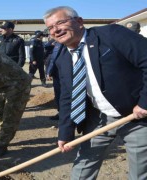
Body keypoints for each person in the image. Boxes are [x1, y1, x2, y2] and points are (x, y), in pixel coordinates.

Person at [43, 6, 147, 179]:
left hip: (136, 114)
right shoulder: (63, 56)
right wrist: (65, 133)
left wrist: (145, 102)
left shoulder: (112, 35)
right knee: (84, 163)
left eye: (61, 22)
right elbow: (68, 96)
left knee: (140, 169)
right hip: (99, 116)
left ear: (79, 22)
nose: (56, 30)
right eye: (51, 28)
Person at [0, 21, 26, 113]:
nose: (0, 30)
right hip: (0, 68)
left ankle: (11, 107)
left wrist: (18, 69)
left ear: (10, 29)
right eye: (1, 28)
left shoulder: (18, 40)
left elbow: (22, 57)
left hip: (13, 69)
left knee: (12, 89)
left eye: (3, 28)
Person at [45, 41, 62, 120]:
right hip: (57, 73)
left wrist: (49, 71)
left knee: (62, 94)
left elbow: (54, 59)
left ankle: (63, 114)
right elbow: (47, 47)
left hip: (62, 73)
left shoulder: (61, 43)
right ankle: (61, 113)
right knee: (58, 94)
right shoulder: (56, 43)